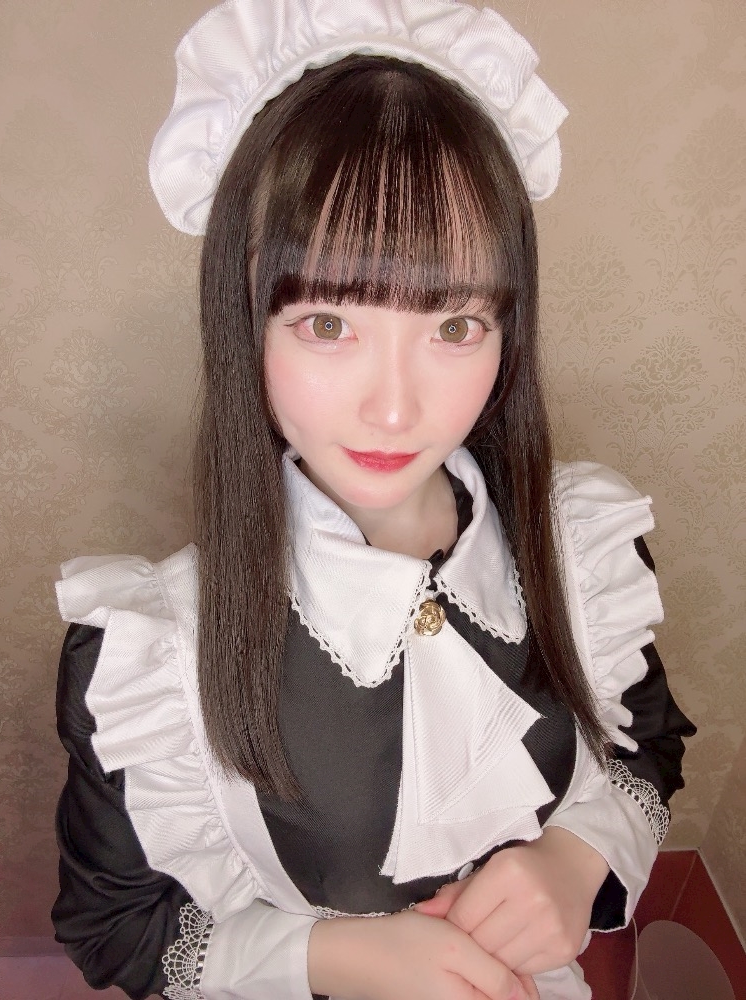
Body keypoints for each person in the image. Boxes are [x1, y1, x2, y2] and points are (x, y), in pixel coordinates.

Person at [51, 2, 696, 999]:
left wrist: (578, 855)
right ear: (242, 315)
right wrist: (340, 956)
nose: (394, 408)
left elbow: (644, 746)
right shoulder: (149, 656)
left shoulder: (583, 551)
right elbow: (117, 928)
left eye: (454, 326)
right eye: (326, 323)